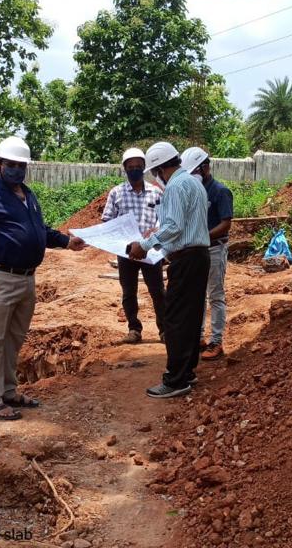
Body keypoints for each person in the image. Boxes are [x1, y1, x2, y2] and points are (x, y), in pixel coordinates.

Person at [0, 136, 86, 421]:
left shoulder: (27, 195)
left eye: (22, 165)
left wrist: (66, 241)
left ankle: (8, 391)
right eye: (11, 164)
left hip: (25, 279)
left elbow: (39, 231)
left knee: (13, 340)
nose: (17, 170)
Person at [128, 142, 210, 399]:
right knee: (191, 317)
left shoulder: (175, 186)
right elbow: (182, 224)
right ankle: (188, 371)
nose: (156, 177)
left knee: (174, 318)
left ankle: (175, 379)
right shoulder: (194, 182)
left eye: (155, 172)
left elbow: (173, 226)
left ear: (162, 168)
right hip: (199, 256)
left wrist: (144, 244)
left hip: (186, 259)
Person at [102, 147, 167, 344]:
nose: (135, 170)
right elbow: (107, 220)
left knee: (157, 291)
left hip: (151, 251)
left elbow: (164, 220)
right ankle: (134, 329)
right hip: (126, 252)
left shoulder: (156, 193)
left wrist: (155, 230)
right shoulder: (116, 193)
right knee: (129, 291)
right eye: (131, 167)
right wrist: (121, 235)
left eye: (138, 166)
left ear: (145, 167)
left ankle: (164, 330)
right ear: (125, 168)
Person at [181, 147, 233, 361]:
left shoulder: (220, 191)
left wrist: (202, 236)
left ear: (205, 167)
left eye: (194, 171)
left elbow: (226, 224)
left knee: (216, 295)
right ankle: (199, 336)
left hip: (214, 249)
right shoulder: (193, 191)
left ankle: (216, 340)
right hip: (197, 250)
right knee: (198, 295)